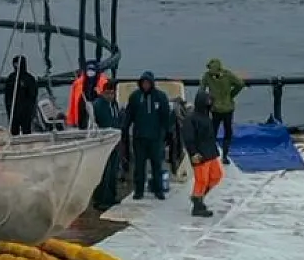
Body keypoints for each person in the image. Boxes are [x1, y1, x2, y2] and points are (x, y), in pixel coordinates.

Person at [124, 72, 172, 201]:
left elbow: (166, 117)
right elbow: (129, 115)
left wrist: (167, 133)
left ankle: (158, 190)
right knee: (139, 166)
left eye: (148, 83)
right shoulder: (135, 96)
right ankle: (138, 191)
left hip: (155, 138)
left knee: (157, 165)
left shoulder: (160, 97)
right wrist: (124, 129)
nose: (145, 85)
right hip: (139, 138)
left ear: (152, 83)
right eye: (143, 83)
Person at [181, 89, 223, 218]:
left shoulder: (207, 116)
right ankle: (197, 205)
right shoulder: (191, 119)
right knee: (202, 180)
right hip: (199, 154)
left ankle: (198, 197)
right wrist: (193, 153)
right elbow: (188, 138)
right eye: (208, 101)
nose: (210, 103)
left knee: (217, 175)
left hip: (210, 152)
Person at [201, 58, 245, 163]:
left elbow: (201, 90)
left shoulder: (208, 76)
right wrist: (231, 95)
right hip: (226, 108)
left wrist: (208, 99)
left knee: (214, 132)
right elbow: (240, 84)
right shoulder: (227, 74)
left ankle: (213, 154)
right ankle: (224, 156)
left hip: (217, 108)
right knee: (227, 131)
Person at [90, 81, 124, 210]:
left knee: (112, 172)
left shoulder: (114, 105)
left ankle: (110, 197)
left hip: (115, 142)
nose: (110, 96)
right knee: (104, 172)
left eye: (112, 93)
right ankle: (100, 199)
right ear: (103, 93)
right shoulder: (98, 105)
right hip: (103, 143)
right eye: (108, 93)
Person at [0, 55, 39, 135]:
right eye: (15, 64)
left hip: (26, 110)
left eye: (17, 63)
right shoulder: (11, 78)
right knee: (14, 130)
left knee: (26, 130)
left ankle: (28, 143)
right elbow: (7, 95)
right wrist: (9, 108)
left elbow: (33, 95)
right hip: (13, 109)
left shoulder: (29, 78)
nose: (16, 66)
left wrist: (30, 109)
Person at [67, 60, 110, 129]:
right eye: (88, 69)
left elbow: (108, 100)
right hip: (82, 113)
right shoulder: (77, 83)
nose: (90, 72)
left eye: (93, 70)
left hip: (98, 116)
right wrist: (71, 121)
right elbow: (72, 103)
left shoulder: (104, 83)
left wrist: (99, 93)